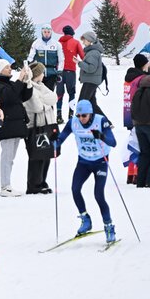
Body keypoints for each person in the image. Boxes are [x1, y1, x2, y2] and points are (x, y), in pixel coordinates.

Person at [55, 100, 117, 243]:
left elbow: (113, 142)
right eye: (79, 115)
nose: (81, 118)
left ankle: (109, 226)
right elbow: (61, 138)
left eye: (84, 115)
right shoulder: (73, 122)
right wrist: (54, 142)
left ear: (90, 114)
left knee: (98, 195)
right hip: (83, 161)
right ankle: (85, 219)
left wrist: (101, 136)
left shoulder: (100, 121)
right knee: (75, 189)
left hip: (100, 161)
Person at [0, 59, 33, 197]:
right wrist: (19, 80)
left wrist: (27, 82)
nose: (10, 69)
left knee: (10, 158)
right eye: (7, 67)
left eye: (10, 67)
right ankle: (5, 186)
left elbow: (24, 96)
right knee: (7, 157)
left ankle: (8, 185)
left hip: (16, 125)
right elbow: (9, 96)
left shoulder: (9, 84)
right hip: (7, 125)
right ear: (0, 70)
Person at [23, 62, 59, 194]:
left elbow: (54, 97)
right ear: (37, 75)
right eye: (42, 73)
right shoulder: (30, 87)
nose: (44, 75)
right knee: (36, 156)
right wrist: (46, 102)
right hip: (35, 126)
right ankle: (34, 184)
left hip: (47, 125)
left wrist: (44, 100)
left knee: (46, 155)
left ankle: (42, 181)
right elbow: (37, 107)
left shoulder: (42, 86)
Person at [75, 31, 107, 118]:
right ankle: (106, 122)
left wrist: (79, 63)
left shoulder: (93, 53)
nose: (83, 42)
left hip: (91, 81)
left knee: (82, 102)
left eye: (84, 40)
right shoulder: (92, 52)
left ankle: (79, 121)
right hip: (91, 80)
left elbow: (91, 68)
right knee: (92, 104)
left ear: (90, 40)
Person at [57, 25, 84, 123]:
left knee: (59, 94)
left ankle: (58, 115)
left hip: (59, 71)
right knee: (71, 93)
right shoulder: (76, 42)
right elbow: (83, 56)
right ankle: (71, 115)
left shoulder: (58, 43)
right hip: (70, 71)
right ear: (72, 33)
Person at [28, 24, 64, 91]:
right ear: (42, 32)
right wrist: (28, 66)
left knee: (49, 92)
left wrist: (59, 71)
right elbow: (30, 57)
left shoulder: (56, 44)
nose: (46, 34)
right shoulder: (36, 43)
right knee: (39, 92)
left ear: (51, 33)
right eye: (45, 32)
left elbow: (61, 59)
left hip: (52, 73)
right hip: (39, 72)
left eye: (48, 32)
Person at [123, 54, 150, 131]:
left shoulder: (131, 76)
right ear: (143, 64)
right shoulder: (141, 78)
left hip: (129, 113)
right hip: (139, 116)